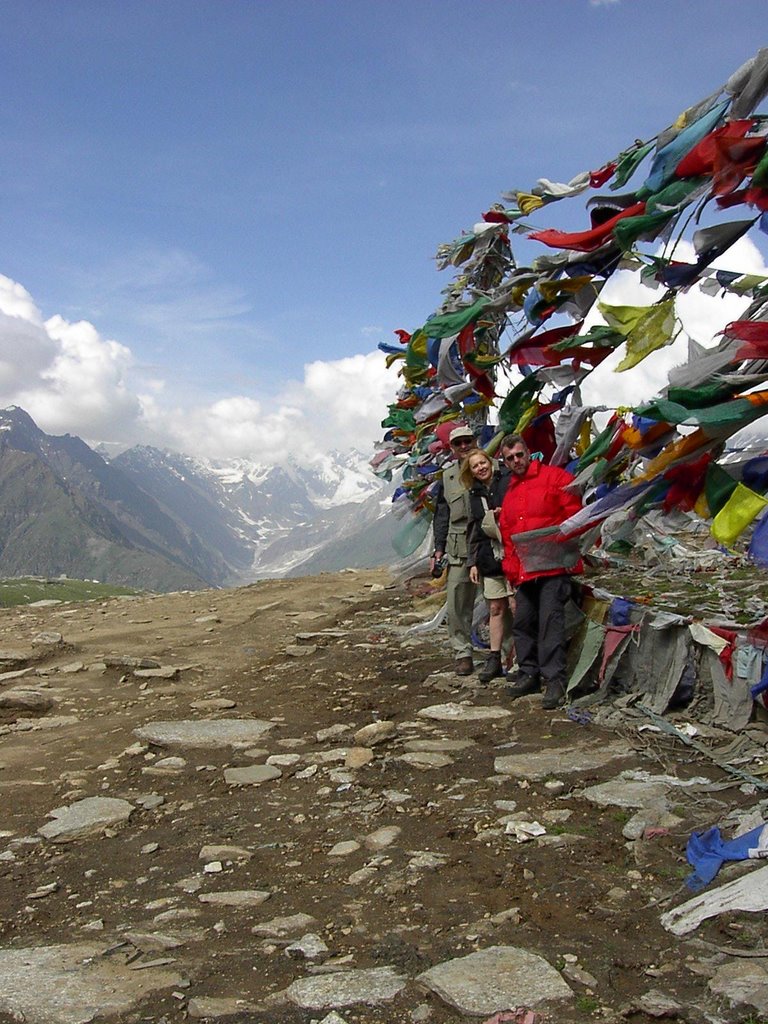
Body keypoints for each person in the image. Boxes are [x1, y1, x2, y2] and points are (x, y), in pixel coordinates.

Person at [498, 434, 583, 709]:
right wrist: (511, 572)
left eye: (519, 455)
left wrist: (567, 552)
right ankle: (529, 673)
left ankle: (555, 680)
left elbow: (574, 518)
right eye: (510, 458)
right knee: (523, 624)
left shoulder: (555, 478)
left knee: (550, 623)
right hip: (525, 573)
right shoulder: (510, 493)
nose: (516, 461)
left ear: (528, 452)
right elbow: (508, 536)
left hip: (553, 567)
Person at [460, 448, 515, 683]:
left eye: (483, 463)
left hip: (513, 553)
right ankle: (495, 657)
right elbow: (473, 529)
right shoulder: (474, 494)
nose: (481, 468)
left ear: (490, 462)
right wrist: (472, 562)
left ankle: (519, 657)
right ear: (470, 472)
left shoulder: (508, 481)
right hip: (488, 556)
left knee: (516, 605)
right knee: (495, 608)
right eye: (475, 466)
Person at [431, 425, 479, 675]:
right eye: (458, 443)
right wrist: (438, 548)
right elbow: (442, 515)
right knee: (457, 602)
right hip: (458, 546)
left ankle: (505, 651)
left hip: (489, 543)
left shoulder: (489, 466)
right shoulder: (447, 477)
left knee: (499, 601)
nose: (463, 447)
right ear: (451, 447)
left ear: (475, 441)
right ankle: (463, 652)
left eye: (467, 441)